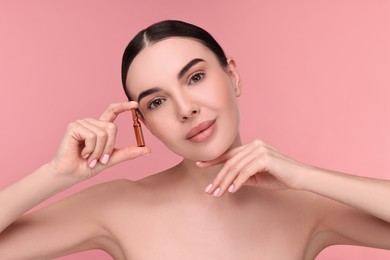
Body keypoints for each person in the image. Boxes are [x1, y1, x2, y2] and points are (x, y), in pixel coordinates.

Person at [0, 20, 389, 260]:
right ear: (145, 123)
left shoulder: (308, 206)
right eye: (156, 101)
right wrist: (56, 174)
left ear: (232, 76)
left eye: (195, 77)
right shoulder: (117, 206)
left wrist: (304, 176)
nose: (185, 109)